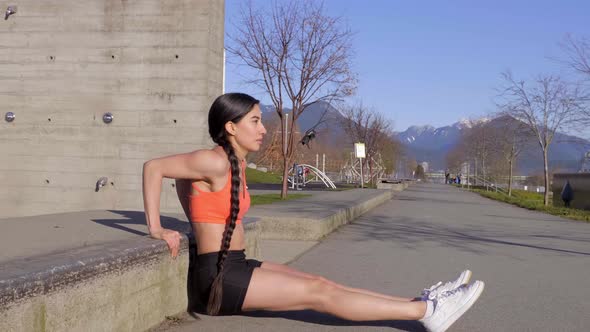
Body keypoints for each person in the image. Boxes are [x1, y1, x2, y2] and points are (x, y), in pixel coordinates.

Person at [142, 93, 485, 332]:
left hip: (235, 264)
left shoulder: (234, 164)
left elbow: (190, 192)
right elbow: (153, 167)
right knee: (318, 295)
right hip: (219, 278)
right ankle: (425, 312)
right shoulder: (212, 160)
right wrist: (156, 228)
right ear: (231, 127)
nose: (264, 129)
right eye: (256, 121)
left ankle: (420, 303)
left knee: (321, 283)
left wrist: (191, 212)